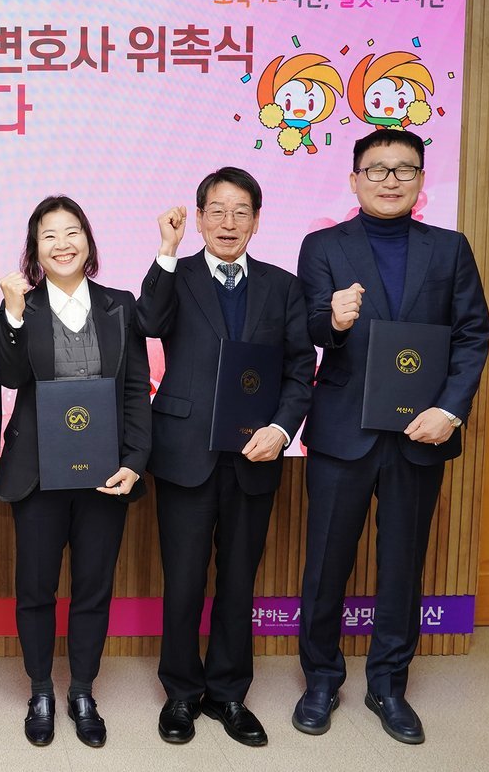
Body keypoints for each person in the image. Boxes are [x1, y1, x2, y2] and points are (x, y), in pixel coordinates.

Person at [294, 130, 489, 744]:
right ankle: (321, 678)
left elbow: (472, 334)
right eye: (376, 169)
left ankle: (388, 684)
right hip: (343, 430)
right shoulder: (323, 245)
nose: (390, 179)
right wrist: (333, 321)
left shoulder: (450, 249)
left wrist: (450, 411)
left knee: (404, 563)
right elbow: (306, 328)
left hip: (419, 432)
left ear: (421, 181)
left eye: (404, 169)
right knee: (326, 562)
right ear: (354, 179)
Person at [136, 168, 315, 747]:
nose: (229, 222)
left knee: (239, 581)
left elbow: (299, 369)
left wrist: (282, 429)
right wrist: (166, 249)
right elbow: (148, 321)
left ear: (257, 221)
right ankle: (181, 692)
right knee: (184, 580)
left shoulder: (282, 286)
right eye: (217, 210)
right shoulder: (177, 273)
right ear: (199, 218)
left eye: (241, 212)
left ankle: (229, 692)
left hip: (254, 455)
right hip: (185, 452)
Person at [0, 195, 151, 748]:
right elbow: (9, 376)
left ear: (88, 241)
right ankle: (40, 690)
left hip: (106, 474)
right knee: (35, 589)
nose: (62, 244)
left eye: (72, 232)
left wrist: (134, 461)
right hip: (38, 474)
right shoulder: (22, 308)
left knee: (93, 588)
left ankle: (83, 690)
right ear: (34, 250)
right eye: (49, 236)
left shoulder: (119, 305)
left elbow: (136, 388)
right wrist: (12, 314)